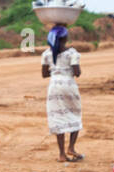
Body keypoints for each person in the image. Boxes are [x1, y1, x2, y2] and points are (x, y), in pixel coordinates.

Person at [42, 26, 83, 163]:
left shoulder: (46, 54)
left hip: (54, 87)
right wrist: (68, 70)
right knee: (74, 114)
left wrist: (56, 70)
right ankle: (71, 147)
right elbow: (77, 72)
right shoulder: (72, 53)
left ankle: (61, 154)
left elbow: (44, 74)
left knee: (58, 118)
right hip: (68, 86)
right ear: (65, 38)